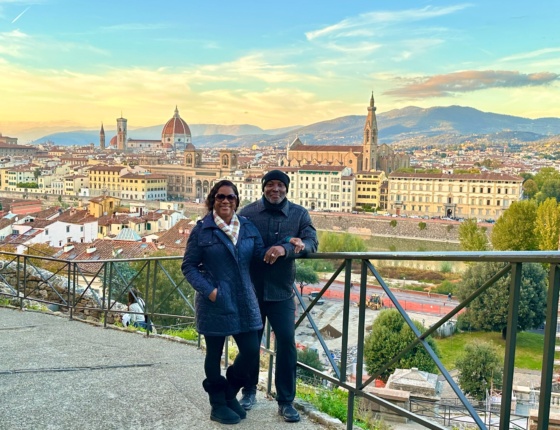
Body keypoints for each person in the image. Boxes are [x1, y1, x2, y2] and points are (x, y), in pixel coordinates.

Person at [182, 180, 267, 425]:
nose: (226, 201)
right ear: (213, 200)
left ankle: (229, 393)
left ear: (237, 201)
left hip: (244, 299)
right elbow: (188, 266)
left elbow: (260, 255)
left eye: (231, 197)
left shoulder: (248, 227)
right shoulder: (202, 230)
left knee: (251, 350)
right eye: (220, 197)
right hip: (215, 301)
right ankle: (217, 404)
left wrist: (287, 247)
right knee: (214, 353)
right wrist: (210, 291)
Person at [238, 169, 318, 423]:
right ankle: (248, 390)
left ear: (286, 188)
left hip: (282, 292)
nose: (275, 189)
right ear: (263, 187)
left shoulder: (299, 214)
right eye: (270, 184)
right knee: (250, 345)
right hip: (252, 290)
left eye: (280, 185)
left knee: (286, 343)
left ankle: (285, 401)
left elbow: (312, 241)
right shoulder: (248, 214)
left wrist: (289, 248)